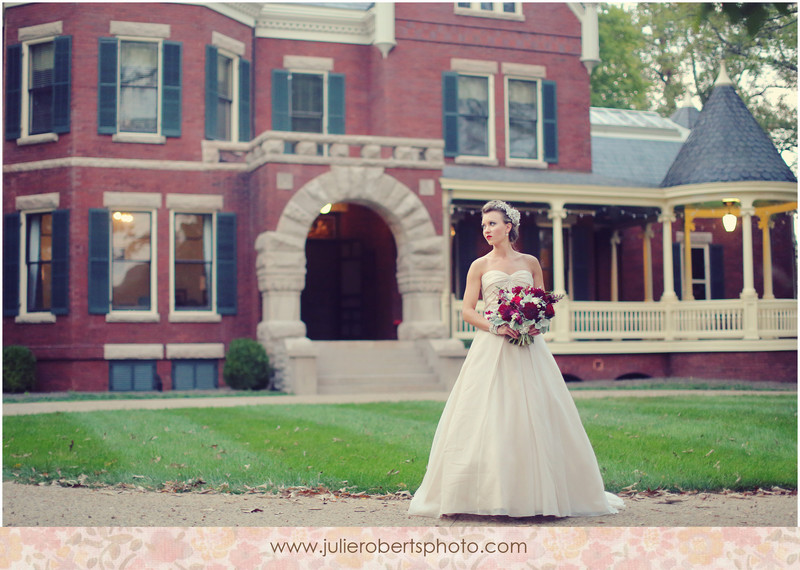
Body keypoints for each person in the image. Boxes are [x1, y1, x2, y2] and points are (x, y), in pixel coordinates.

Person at [408, 200, 623, 519]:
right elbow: (468, 310)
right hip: (492, 346)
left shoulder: (531, 262)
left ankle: (538, 495)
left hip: (529, 348)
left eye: (492, 224)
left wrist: (533, 322)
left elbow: (543, 302)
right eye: (483, 226)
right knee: (488, 413)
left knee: (535, 411)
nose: (487, 230)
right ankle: (481, 494)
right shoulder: (479, 266)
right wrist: (498, 325)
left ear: (509, 227)